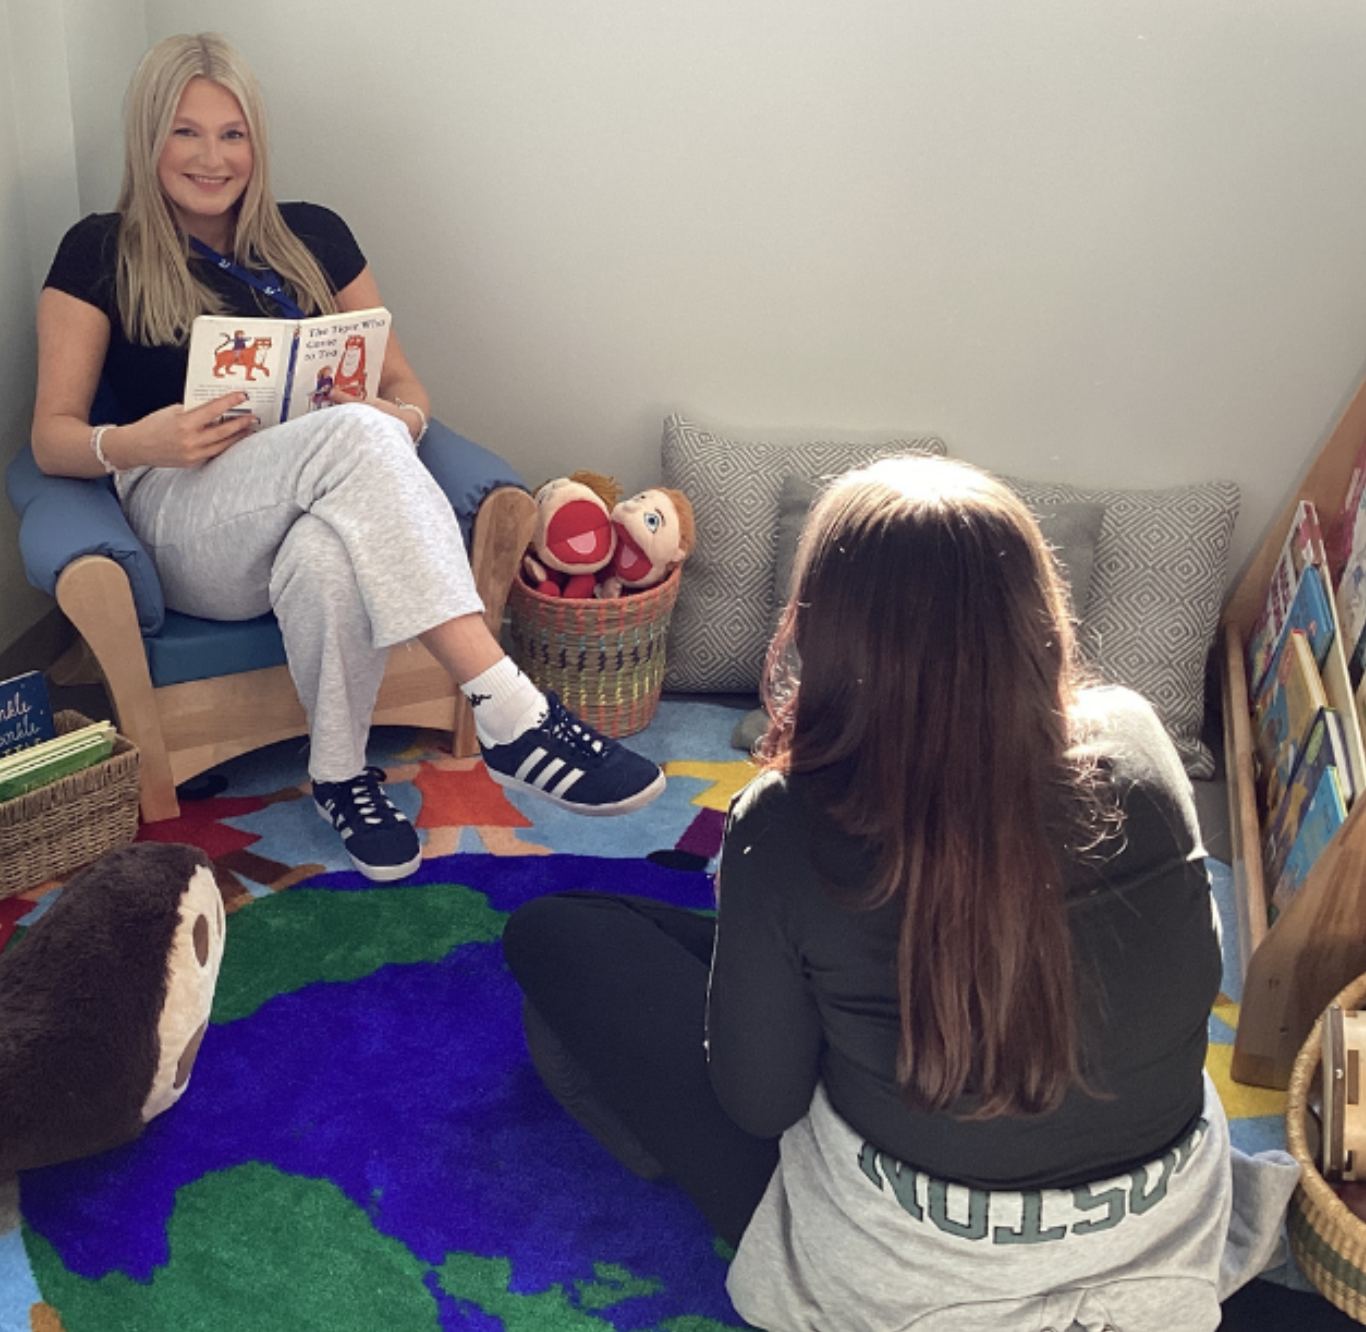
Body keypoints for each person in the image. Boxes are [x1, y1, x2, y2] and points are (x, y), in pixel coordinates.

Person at [505, 456, 1238, 1331]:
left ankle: (665, 1151)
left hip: (911, 1284)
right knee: (749, 954)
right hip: (1150, 1254)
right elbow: (1190, 971)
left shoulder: (790, 819)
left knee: (553, 935)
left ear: (833, 637)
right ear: (1037, 614)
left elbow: (759, 1101)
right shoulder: (1138, 737)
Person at [30, 33, 665, 883]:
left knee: (329, 548)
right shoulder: (97, 251)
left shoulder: (315, 238)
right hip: (188, 518)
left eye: (233, 134)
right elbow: (51, 435)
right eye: (186, 132)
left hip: (318, 500)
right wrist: (143, 440)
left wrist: (391, 419)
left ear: (258, 142)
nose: (212, 158)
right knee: (356, 445)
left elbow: (410, 392)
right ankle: (513, 709)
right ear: (148, 138)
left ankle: (340, 774)